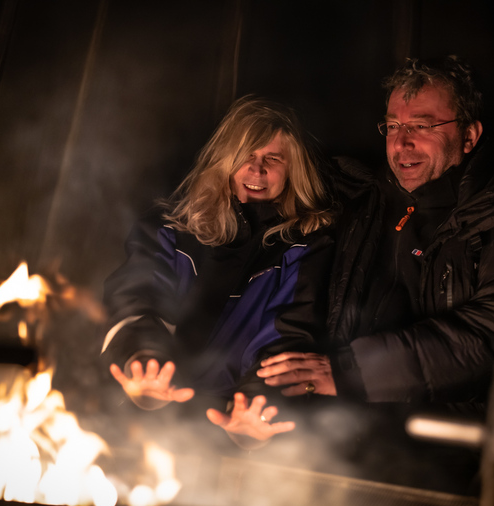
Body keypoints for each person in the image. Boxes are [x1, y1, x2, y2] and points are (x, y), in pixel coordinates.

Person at [256, 56, 494, 490]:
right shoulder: (354, 204)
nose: (402, 143)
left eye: (422, 125)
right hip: (338, 440)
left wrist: (350, 371)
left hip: (455, 453)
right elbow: (291, 302)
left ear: (468, 135)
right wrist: (262, 395)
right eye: (393, 126)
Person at [100, 96, 333, 447]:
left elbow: (287, 338)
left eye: (273, 158)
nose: (257, 170)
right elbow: (135, 299)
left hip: (229, 433)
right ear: (225, 160)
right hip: (136, 424)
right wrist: (145, 362)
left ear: (292, 170)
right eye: (246, 156)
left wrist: (256, 407)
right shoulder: (169, 228)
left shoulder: (305, 247)